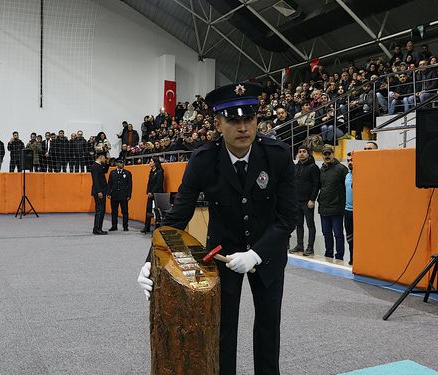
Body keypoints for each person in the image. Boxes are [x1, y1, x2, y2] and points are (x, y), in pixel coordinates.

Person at [137, 82, 297, 375]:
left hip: (268, 254)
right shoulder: (203, 160)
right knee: (222, 330)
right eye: (233, 120)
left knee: (268, 328)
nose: (243, 127)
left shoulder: (277, 155)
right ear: (218, 123)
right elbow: (176, 218)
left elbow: (288, 217)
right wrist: (151, 262)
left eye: (249, 118)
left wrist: (256, 254)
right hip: (221, 254)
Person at [317, 144, 348, 260]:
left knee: (338, 234)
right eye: (325, 154)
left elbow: (348, 187)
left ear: (333, 154)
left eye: (329, 153)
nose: (327, 156)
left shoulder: (341, 169)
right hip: (324, 207)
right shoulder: (322, 170)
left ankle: (339, 256)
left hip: (337, 208)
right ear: (322, 156)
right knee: (326, 233)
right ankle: (328, 254)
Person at [288, 146, 320, 256]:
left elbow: (316, 185)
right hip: (297, 201)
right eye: (299, 152)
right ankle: (299, 245)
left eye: (304, 152)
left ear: (308, 154)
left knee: (310, 224)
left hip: (307, 201)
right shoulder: (296, 167)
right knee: (299, 224)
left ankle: (310, 247)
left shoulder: (313, 167)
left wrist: (312, 199)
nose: (301, 153)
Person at [107, 158, 132, 231]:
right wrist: (108, 193)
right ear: (117, 164)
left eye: (123, 163)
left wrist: (129, 195)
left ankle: (125, 226)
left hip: (123, 195)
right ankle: (114, 226)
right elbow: (109, 184)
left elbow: (130, 185)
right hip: (114, 195)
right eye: (120, 163)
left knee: (125, 211)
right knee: (114, 211)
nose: (122, 164)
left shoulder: (127, 173)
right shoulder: (112, 173)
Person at [140, 157, 164, 234]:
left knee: (157, 211)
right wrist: (148, 192)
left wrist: (152, 192)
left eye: (151, 161)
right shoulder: (151, 171)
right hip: (150, 194)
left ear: (155, 163)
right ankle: (146, 227)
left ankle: (157, 227)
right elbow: (149, 183)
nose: (149, 163)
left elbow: (158, 184)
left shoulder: (160, 172)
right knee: (148, 210)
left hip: (157, 194)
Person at [90, 154, 109, 235]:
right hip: (99, 192)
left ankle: (98, 228)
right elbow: (96, 180)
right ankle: (97, 229)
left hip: (101, 191)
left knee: (101, 210)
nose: (105, 160)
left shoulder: (99, 166)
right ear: (101, 157)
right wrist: (99, 191)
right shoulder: (95, 166)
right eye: (104, 158)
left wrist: (107, 163)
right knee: (100, 210)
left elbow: (105, 171)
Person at [345, 152, 354, 266]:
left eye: (352, 160)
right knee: (350, 238)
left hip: (359, 211)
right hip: (347, 211)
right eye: (348, 161)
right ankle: (352, 259)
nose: (350, 162)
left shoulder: (362, 174)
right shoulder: (347, 175)